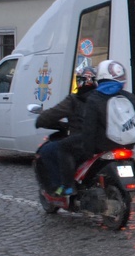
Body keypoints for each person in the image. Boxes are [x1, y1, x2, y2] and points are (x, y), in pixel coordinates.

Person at [54, 60, 135, 196]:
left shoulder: (95, 98)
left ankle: (68, 186)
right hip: (127, 144)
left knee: (63, 146)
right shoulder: (129, 97)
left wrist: (88, 152)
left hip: (103, 144)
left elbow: (89, 128)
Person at [36, 66, 97, 195]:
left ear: (79, 81)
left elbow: (52, 114)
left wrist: (40, 120)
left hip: (81, 143)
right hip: (103, 141)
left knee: (48, 150)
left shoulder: (74, 100)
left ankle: (63, 186)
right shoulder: (101, 97)